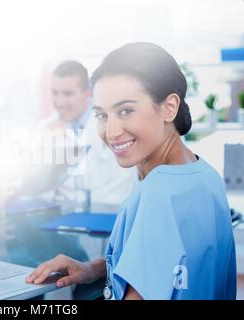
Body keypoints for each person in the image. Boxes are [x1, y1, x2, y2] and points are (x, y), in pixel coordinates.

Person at [26, 42, 237, 300]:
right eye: (102, 115)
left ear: (169, 107)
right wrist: (92, 269)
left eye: (126, 111)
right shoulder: (204, 175)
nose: (111, 132)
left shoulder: (156, 196)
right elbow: (165, 261)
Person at [23, 60, 137, 206]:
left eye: (68, 94)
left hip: (103, 216)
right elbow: (36, 187)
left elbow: (119, 189)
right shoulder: (44, 129)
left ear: (87, 93)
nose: (60, 102)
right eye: (55, 93)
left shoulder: (112, 129)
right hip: (56, 217)